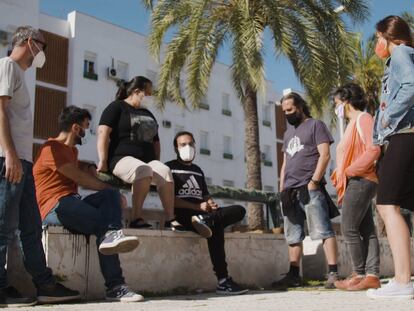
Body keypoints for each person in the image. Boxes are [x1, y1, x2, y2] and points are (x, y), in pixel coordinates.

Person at [0, 26, 80, 307]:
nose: (43, 53)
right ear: (29, 42)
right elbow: (0, 110)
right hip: (7, 160)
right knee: (3, 227)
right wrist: (9, 154)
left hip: (22, 161)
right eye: (43, 46)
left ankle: (44, 285)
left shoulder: (19, 74)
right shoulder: (8, 66)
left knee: (30, 226)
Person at [34, 105, 143, 302]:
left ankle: (112, 242)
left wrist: (90, 166)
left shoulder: (72, 152)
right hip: (54, 206)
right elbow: (81, 179)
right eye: (86, 127)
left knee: (110, 197)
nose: (87, 132)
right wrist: (98, 180)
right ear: (76, 128)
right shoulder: (50, 148)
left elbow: (79, 168)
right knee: (106, 224)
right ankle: (115, 286)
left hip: (71, 203)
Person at [165, 131, 248, 295]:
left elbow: (205, 194)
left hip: (204, 214)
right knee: (216, 229)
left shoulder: (198, 170)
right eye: (183, 144)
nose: (187, 147)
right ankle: (223, 281)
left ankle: (207, 221)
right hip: (185, 215)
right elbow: (169, 200)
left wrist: (210, 202)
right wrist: (197, 208)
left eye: (190, 144)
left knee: (239, 210)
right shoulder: (169, 167)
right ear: (176, 148)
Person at [367, 15, 414, 299]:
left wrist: (387, 120)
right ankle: (403, 279)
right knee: (398, 204)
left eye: (377, 38)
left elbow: (410, 86)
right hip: (406, 134)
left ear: (388, 37)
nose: (376, 44)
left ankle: (402, 280)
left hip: (405, 134)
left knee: (387, 205)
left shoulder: (401, 53)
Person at [272, 92, 339, 290]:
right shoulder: (287, 133)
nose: (287, 114)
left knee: (323, 230)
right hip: (289, 190)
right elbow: (285, 163)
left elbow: (325, 155)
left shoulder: (316, 125)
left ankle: (333, 273)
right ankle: (293, 275)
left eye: (290, 110)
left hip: (310, 187)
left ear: (300, 107)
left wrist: (314, 181)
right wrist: (282, 187)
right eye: (284, 111)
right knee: (293, 234)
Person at [97, 76, 181, 230]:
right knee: (144, 170)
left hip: (147, 162)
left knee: (165, 171)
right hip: (121, 159)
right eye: (148, 93)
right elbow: (103, 132)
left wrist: (157, 161)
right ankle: (136, 218)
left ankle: (170, 219)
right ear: (137, 91)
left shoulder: (147, 113)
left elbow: (156, 141)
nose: (151, 96)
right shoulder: (116, 107)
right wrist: (102, 160)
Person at [330, 83, 381, 291]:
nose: (336, 109)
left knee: (348, 227)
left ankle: (358, 274)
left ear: (347, 101)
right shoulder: (352, 124)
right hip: (358, 179)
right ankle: (371, 275)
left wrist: (350, 170)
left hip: (361, 179)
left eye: (337, 104)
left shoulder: (363, 118)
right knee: (366, 228)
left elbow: (374, 149)